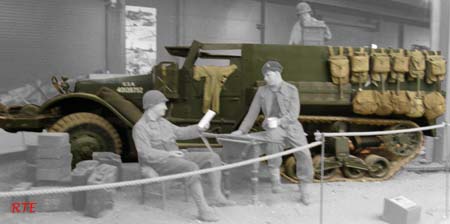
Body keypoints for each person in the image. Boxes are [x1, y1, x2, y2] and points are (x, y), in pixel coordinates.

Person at [133, 90, 235, 222]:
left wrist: (199, 128)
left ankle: (217, 196)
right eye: (162, 104)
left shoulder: (163, 122)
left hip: (177, 156)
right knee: (191, 167)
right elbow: (144, 153)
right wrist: (168, 153)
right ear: (152, 106)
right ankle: (203, 210)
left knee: (212, 157)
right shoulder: (140, 127)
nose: (165, 107)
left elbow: (181, 132)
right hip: (160, 162)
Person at [231, 60, 313, 205]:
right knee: (273, 143)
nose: (265, 78)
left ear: (277, 74)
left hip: (292, 126)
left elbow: (294, 114)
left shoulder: (291, 89)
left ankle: (304, 186)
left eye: (268, 75)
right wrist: (241, 130)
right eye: (265, 76)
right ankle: (275, 176)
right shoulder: (262, 91)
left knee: (304, 154)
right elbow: (252, 112)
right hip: (273, 128)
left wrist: (279, 122)